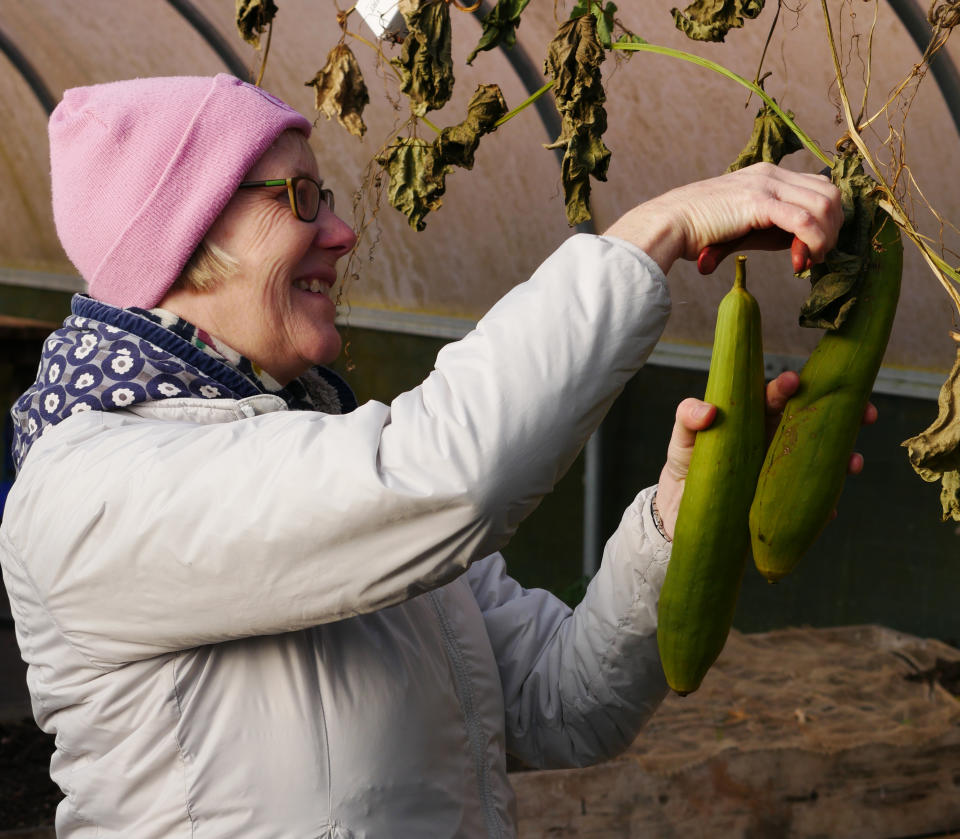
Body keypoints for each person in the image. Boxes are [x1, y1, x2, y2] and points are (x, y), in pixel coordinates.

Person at [0, 74, 850, 838]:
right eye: (298, 197)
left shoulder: (322, 450)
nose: (341, 231)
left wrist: (685, 507)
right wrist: (652, 232)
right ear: (183, 239)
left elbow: (564, 706)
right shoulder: (91, 488)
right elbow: (444, 477)